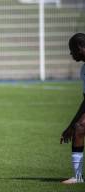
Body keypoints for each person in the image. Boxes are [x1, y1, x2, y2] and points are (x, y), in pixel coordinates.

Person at [60, 33, 85, 184]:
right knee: (80, 128)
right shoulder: (83, 70)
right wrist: (71, 126)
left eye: (72, 50)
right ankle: (77, 177)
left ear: (80, 47)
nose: (71, 54)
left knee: (79, 127)